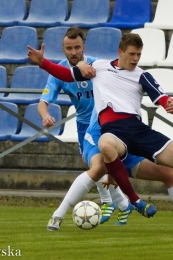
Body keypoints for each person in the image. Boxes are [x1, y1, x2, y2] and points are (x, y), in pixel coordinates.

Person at [27, 34, 173, 235]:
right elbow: (66, 75)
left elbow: (160, 95)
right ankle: (131, 201)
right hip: (108, 131)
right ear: (120, 52)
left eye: (139, 54)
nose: (135, 58)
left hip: (138, 130)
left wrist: (168, 103)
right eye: (132, 54)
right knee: (104, 148)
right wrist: (43, 62)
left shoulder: (141, 75)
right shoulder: (100, 68)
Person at [37, 26, 131, 228]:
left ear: (83, 47)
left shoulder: (96, 66)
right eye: (69, 48)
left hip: (105, 122)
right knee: (92, 165)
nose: (73, 52)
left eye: (77, 47)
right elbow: (43, 102)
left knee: (99, 164)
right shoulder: (59, 72)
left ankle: (111, 203)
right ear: (63, 50)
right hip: (82, 124)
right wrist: (45, 116)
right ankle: (122, 204)